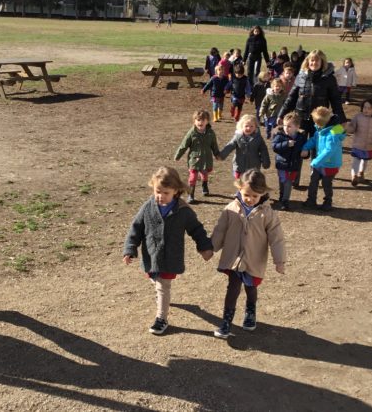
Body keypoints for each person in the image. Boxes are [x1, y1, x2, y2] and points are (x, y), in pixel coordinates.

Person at [123, 167, 214, 335]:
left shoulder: (183, 211)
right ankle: (163, 299)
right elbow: (136, 228)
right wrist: (130, 249)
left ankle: (161, 319)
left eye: (166, 193)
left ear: (176, 191)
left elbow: (197, 230)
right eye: (158, 191)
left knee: (162, 286)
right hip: (152, 255)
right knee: (155, 279)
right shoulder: (148, 207)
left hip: (170, 257)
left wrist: (205, 247)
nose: (161, 196)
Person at [210, 169, 286, 339]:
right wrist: (211, 249)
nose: (250, 199)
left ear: (263, 193)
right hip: (234, 258)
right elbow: (220, 230)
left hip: (254, 259)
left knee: (251, 288)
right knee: (233, 288)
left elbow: (277, 238)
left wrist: (279, 261)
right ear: (239, 188)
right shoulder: (230, 209)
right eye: (246, 195)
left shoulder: (267, 214)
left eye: (255, 196)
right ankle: (226, 322)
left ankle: (250, 312)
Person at [277, 49, 346, 187]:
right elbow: (291, 98)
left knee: (317, 149)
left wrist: (342, 119)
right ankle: (294, 178)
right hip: (300, 119)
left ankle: (315, 176)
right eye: (312, 60)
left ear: (322, 62)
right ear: (308, 61)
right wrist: (281, 114)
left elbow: (335, 101)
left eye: (317, 60)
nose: (314, 63)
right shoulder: (301, 76)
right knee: (298, 148)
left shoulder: (329, 79)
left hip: (319, 122)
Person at [301, 106, 346, 211]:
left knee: (326, 184)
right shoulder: (320, 130)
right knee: (313, 181)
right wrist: (305, 147)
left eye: (316, 123)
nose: (315, 124)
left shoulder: (333, 133)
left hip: (330, 164)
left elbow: (329, 150)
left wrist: (316, 161)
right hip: (320, 162)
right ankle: (311, 200)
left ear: (322, 123)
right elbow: (314, 140)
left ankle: (328, 202)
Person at [175, 110, 221, 202]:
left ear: (207, 121)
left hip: (206, 158)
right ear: (194, 121)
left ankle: (204, 186)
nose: (200, 122)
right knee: (193, 176)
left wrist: (217, 154)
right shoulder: (192, 133)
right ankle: (190, 195)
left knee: (204, 173)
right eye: (198, 120)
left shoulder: (210, 133)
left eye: (203, 120)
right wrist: (178, 155)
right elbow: (184, 145)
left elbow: (214, 145)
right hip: (194, 159)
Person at [271, 112, 308, 210]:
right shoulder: (279, 135)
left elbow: (305, 148)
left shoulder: (301, 137)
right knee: (282, 181)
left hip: (293, 165)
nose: (286, 128)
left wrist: (306, 153)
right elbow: (274, 147)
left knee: (288, 182)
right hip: (282, 164)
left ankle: (285, 200)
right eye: (284, 125)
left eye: (289, 126)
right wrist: (286, 144)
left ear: (297, 127)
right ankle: (282, 195)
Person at [346, 98, 372, 186]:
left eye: (369, 108)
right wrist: (345, 128)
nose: (366, 110)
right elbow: (352, 127)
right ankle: (354, 176)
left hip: (369, 146)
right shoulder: (358, 117)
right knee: (356, 160)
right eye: (364, 107)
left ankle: (361, 173)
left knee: (365, 161)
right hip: (357, 145)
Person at [220, 114, 270, 179]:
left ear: (255, 127)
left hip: (253, 168)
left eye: (251, 126)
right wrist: (222, 155)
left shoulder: (258, 138)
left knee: (251, 183)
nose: (249, 128)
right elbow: (230, 145)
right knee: (240, 183)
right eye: (246, 126)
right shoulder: (238, 137)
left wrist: (266, 162)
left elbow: (264, 150)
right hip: (239, 167)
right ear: (241, 126)